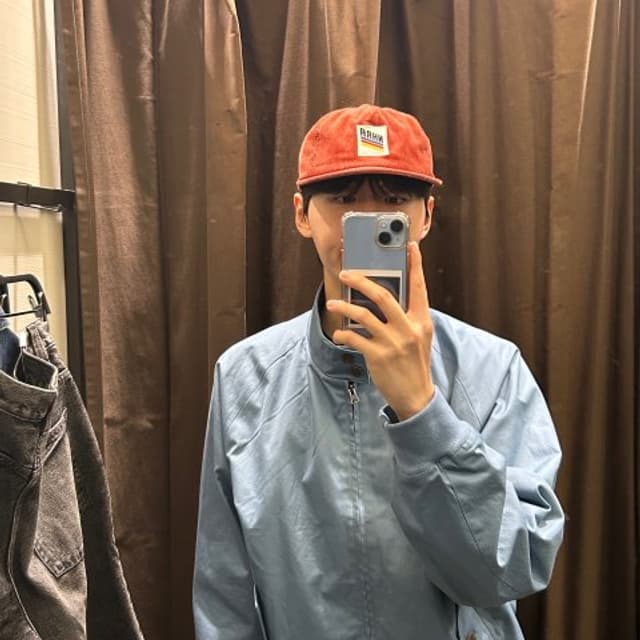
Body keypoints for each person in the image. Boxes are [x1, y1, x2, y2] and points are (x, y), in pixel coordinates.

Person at [193, 104, 565, 639]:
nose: (365, 221)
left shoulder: (492, 369)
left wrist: (423, 414)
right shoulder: (245, 377)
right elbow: (223, 593)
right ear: (302, 214)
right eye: (343, 199)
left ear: (426, 215)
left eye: (392, 202)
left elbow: (512, 568)